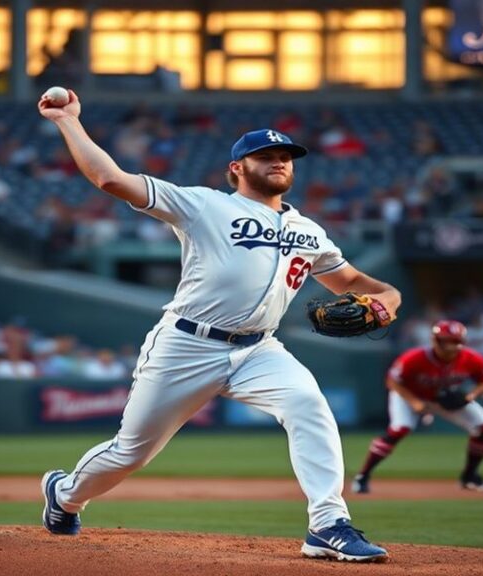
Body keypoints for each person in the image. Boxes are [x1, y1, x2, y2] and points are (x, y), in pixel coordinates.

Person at [37, 90, 402, 563]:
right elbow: (110, 178)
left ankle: (327, 524)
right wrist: (68, 121)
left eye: (285, 157)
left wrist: (390, 297)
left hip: (258, 350)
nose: (278, 162)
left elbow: (350, 280)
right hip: (187, 344)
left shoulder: (309, 231)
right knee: (132, 453)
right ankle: (65, 493)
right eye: (265, 156)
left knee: (309, 405)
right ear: (237, 168)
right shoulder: (202, 206)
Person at [351, 320, 483, 494]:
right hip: (409, 396)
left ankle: (470, 477)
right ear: (435, 340)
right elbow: (392, 381)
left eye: (454, 341)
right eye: (445, 341)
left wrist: (469, 396)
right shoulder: (415, 357)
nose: (450, 346)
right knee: (399, 430)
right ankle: (362, 477)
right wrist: (414, 402)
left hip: (444, 399)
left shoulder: (473, 359)